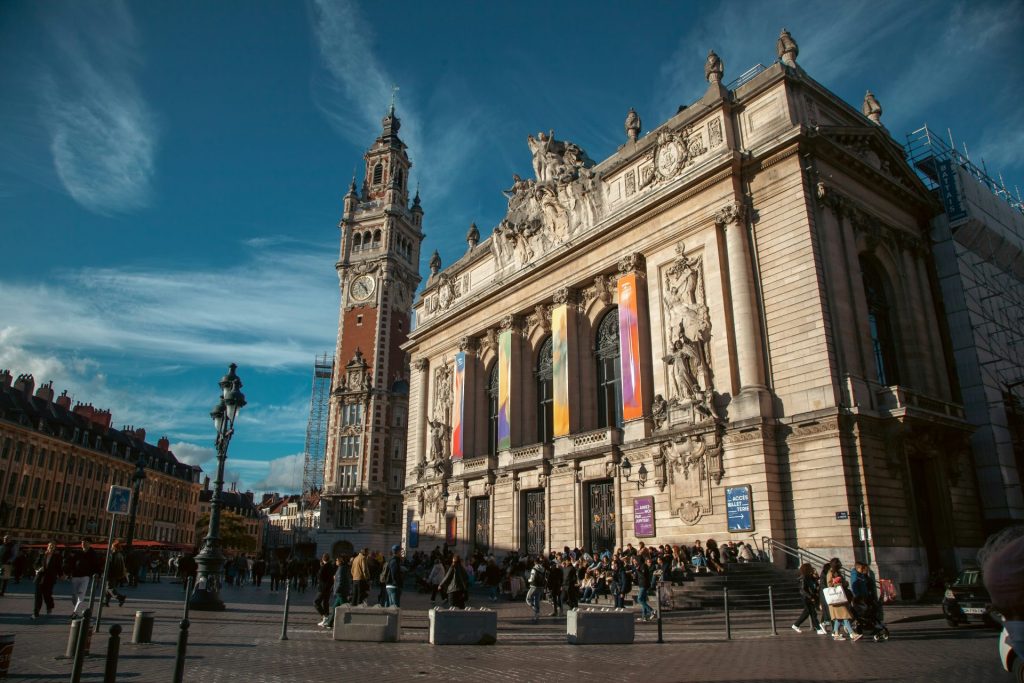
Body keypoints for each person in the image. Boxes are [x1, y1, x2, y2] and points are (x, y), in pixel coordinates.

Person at [825, 558, 861, 641]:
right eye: (839, 563)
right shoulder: (830, 573)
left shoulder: (836, 572)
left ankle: (836, 634)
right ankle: (852, 634)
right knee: (845, 616)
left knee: (839, 618)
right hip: (836, 599)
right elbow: (829, 584)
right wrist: (837, 582)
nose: (841, 565)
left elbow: (841, 582)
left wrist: (844, 583)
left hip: (840, 598)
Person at [67, 540, 100, 618]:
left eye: (85, 542)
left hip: (85, 576)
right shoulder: (78, 553)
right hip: (75, 576)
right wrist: (69, 572)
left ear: (89, 544)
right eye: (82, 542)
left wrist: (97, 574)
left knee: (80, 595)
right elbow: (71, 563)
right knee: (74, 596)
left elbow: (96, 565)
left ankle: (75, 612)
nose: (83, 544)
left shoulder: (93, 554)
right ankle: (78, 611)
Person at [791, 563, 826, 634]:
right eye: (810, 568)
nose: (811, 569)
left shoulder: (809, 577)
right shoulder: (803, 578)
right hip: (806, 597)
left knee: (808, 612)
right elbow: (803, 590)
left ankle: (796, 625)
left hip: (811, 596)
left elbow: (815, 585)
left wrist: (816, 577)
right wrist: (810, 597)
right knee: (812, 613)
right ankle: (818, 628)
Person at [32, 542, 62, 618]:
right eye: (50, 546)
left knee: (47, 595)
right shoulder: (42, 555)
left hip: (50, 578)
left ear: (55, 548)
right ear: (47, 547)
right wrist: (38, 569)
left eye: (53, 546)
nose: (51, 547)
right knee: (38, 596)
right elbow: (35, 564)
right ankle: (36, 612)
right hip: (40, 577)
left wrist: (61, 575)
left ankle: (49, 606)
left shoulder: (57, 557)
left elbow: (59, 567)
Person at [322, 556, 352, 629]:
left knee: (345, 608)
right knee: (335, 607)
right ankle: (329, 623)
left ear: (340, 561)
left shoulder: (341, 569)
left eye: (336, 560)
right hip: (341, 592)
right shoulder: (342, 568)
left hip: (341, 592)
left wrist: (337, 590)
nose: (335, 561)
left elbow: (340, 581)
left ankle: (348, 622)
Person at [103, 541, 127, 608]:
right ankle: (106, 602)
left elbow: (109, 565)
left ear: (114, 547)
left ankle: (121, 598)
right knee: (107, 589)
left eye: (112, 546)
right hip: (116, 574)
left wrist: (106, 573)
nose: (111, 547)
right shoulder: (120, 554)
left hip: (110, 574)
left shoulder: (113, 554)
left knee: (109, 588)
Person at [315, 553, 335, 627]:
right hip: (328, 588)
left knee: (316, 602)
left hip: (323, 588)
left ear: (323, 559)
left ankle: (325, 616)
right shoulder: (331, 566)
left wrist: (321, 567)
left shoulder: (324, 567)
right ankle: (326, 620)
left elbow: (319, 576)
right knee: (325, 603)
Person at [525, 557, 546, 623]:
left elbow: (532, 578)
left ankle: (535, 609)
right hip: (541, 586)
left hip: (534, 586)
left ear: (534, 562)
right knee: (536, 600)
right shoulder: (543, 568)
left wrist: (528, 580)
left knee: (528, 599)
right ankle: (537, 615)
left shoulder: (534, 569)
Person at [636, 555, 656, 622]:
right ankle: (644, 616)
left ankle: (651, 610)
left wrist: (638, 571)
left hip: (644, 585)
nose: (635, 561)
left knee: (639, 599)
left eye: (636, 560)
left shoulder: (643, 566)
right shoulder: (641, 566)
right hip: (643, 584)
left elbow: (643, 575)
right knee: (643, 600)